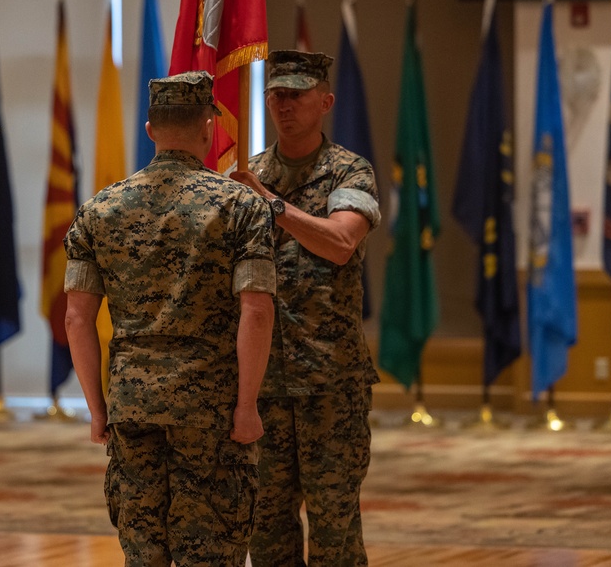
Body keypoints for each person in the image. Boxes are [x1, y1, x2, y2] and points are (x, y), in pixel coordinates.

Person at [63, 71, 277, 567]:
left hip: (133, 408)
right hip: (214, 411)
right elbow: (257, 310)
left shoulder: (99, 210)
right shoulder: (241, 206)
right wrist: (246, 407)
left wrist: (98, 409)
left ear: (149, 130)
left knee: (144, 556)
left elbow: (77, 318)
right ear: (208, 127)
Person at [230, 50, 381, 566]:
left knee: (334, 527)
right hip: (264, 383)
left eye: (297, 93)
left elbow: (340, 242)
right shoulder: (246, 174)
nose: (285, 103)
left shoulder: (349, 171)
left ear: (326, 101)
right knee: (266, 530)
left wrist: (269, 203)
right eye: (276, 93)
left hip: (330, 383)